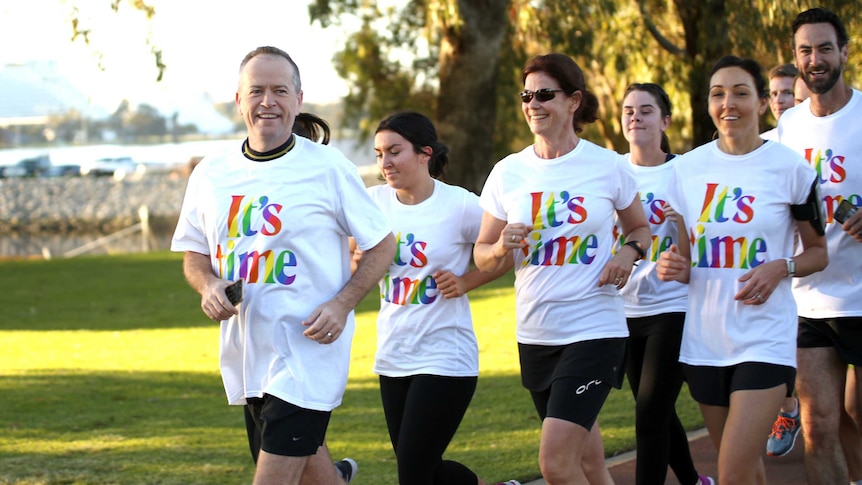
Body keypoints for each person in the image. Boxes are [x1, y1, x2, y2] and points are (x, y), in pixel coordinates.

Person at [170, 46, 396, 485]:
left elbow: (382, 244)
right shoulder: (211, 173)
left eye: (279, 90)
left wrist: (342, 304)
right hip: (247, 353)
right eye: (256, 91)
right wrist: (208, 285)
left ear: (298, 99)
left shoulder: (328, 167)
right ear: (239, 100)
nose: (267, 101)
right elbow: (194, 252)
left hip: (307, 350)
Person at [473, 53, 652, 484]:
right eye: (527, 94)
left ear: (573, 101)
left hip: (595, 329)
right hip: (536, 333)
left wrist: (626, 255)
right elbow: (480, 254)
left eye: (545, 94)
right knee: (588, 463)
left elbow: (641, 230)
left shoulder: (607, 166)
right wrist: (500, 246)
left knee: (555, 464)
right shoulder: (508, 172)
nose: (533, 103)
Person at [656, 55, 827, 484]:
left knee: (730, 472)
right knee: (747, 472)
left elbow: (818, 253)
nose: (728, 103)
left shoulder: (790, 169)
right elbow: (682, 253)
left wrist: (780, 268)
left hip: (764, 339)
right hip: (705, 342)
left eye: (740, 93)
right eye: (718, 94)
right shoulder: (683, 170)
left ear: (762, 104)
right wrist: (671, 264)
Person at [362, 110, 517, 485]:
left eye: (394, 151)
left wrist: (467, 281)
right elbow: (348, 254)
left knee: (413, 474)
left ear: (424, 153)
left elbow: (504, 252)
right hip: (394, 355)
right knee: (424, 470)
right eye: (379, 153)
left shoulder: (460, 205)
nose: (385, 162)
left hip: (446, 355)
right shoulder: (372, 202)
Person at [776, 7, 862, 484]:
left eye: (825, 47)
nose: (816, 58)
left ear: (844, 52)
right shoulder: (787, 129)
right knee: (818, 427)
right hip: (809, 299)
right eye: (805, 50)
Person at [617, 83, 713, 485]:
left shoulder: (687, 171)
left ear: (665, 120)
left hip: (673, 306)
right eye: (628, 111)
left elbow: (711, 235)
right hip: (622, 309)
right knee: (652, 408)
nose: (635, 117)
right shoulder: (611, 170)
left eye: (646, 110)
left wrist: (680, 224)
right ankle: (693, 480)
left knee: (650, 413)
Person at [761, 63, 797, 141]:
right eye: (774, 94)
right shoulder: (762, 143)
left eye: (787, 93)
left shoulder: (820, 137)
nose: (778, 100)